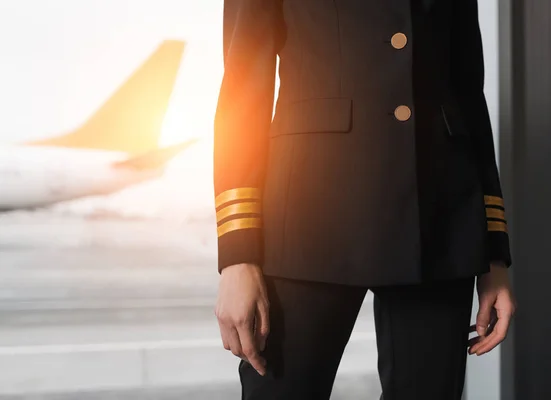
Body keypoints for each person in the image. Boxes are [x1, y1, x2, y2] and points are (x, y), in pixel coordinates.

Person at [212, 0, 516, 399]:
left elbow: (467, 98)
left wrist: (493, 254)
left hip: (439, 220)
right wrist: (238, 254)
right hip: (310, 217)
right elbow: (243, 90)